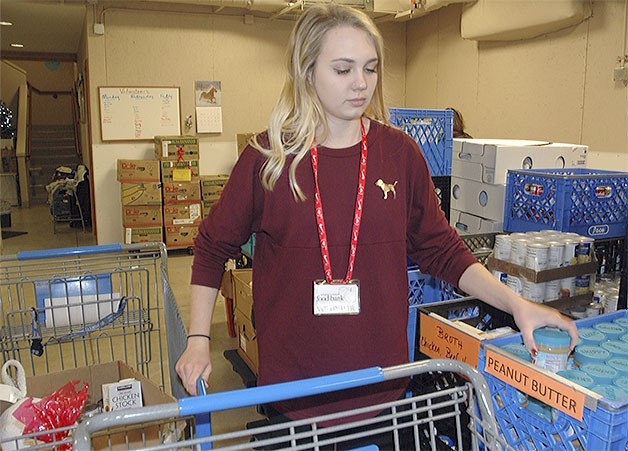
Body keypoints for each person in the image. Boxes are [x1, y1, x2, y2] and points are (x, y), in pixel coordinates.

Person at [176, 1, 577, 434]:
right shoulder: (268, 159)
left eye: (370, 68)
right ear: (307, 71)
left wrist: (519, 306)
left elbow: (442, 249)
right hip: (293, 396)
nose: (361, 84)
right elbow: (212, 247)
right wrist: (199, 339)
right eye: (343, 69)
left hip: (383, 392)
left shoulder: (400, 154)